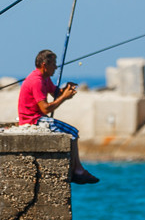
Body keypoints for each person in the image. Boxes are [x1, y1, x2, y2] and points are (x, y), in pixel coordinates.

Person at [17, 49, 99, 184]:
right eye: (53, 64)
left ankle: (77, 168)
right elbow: (45, 108)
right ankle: (77, 170)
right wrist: (64, 97)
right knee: (73, 132)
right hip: (33, 120)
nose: (56, 67)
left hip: (38, 117)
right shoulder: (36, 81)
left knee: (73, 132)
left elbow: (56, 93)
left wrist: (65, 90)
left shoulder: (44, 78)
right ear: (45, 65)